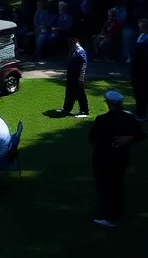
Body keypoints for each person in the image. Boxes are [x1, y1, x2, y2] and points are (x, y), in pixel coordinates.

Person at [89, 90, 146, 227]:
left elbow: (92, 139)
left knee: (105, 189)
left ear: (109, 103)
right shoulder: (129, 118)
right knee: (117, 186)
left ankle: (110, 217)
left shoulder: (102, 120)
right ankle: (116, 214)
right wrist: (129, 138)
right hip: (121, 158)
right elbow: (141, 135)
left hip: (103, 159)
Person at [61, 35, 90, 118]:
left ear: (75, 39)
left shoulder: (80, 51)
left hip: (77, 76)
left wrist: (81, 77)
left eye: (71, 38)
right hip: (71, 75)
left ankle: (84, 111)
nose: (68, 40)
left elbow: (83, 65)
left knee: (80, 94)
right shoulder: (72, 48)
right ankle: (66, 109)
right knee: (69, 92)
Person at [132, 19, 148, 122]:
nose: (139, 27)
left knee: (143, 91)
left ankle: (142, 114)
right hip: (136, 68)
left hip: (143, 69)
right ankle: (139, 110)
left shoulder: (146, 39)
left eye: (141, 26)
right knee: (138, 91)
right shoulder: (141, 37)